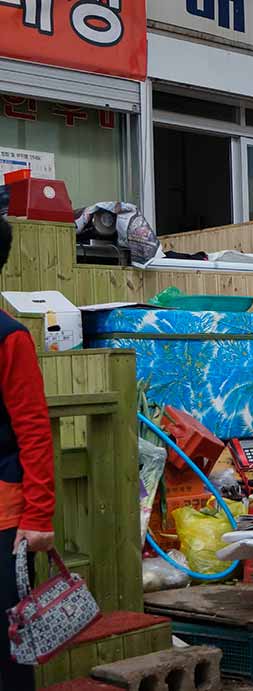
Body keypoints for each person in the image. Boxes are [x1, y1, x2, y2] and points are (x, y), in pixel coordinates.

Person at [0, 216, 56, 690]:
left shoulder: (10, 337)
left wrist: (38, 515)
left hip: (4, 519)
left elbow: (34, 432)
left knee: (10, 644)